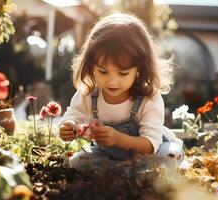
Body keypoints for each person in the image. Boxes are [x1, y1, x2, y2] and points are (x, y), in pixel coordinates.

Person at [59, 13, 183, 170]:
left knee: (171, 155)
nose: (112, 81)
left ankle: (126, 172)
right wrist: (68, 128)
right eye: (103, 71)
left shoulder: (148, 98)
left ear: (140, 68)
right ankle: (124, 171)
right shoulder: (89, 95)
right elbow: (72, 117)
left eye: (123, 73)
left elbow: (151, 144)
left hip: (148, 155)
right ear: (91, 66)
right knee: (77, 162)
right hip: (107, 156)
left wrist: (118, 139)